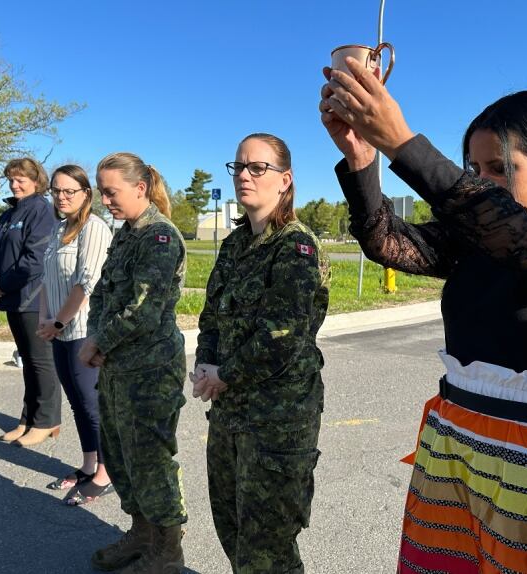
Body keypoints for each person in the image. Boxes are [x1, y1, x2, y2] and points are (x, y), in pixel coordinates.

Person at [321, 58, 527, 573]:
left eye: (501, 168)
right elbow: (387, 242)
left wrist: (404, 143)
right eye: (475, 170)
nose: (484, 181)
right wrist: (363, 159)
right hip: (456, 449)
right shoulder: (471, 239)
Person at [192, 133, 331, 573]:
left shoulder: (295, 245)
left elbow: (283, 335)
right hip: (230, 411)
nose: (245, 176)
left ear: (284, 179)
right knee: (231, 525)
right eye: (239, 167)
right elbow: (210, 315)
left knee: (267, 544)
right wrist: (203, 363)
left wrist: (223, 372)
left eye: (258, 168)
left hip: (278, 420)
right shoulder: (234, 246)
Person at [79, 153, 187, 573]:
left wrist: (99, 343)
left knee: (151, 461)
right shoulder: (124, 234)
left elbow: (144, 310)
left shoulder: (159, 236)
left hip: (150, 370)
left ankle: (168, 550)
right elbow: (104, 293)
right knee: (122, 457)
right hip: (117, 366)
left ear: (139, 188)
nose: (105, 200)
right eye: (102, 192)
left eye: (111, 191)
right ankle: (142, 533)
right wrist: (96, 340)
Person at [37, 165, 114, 504]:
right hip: (59, 331)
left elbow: (87, 282)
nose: (62, 197)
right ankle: (87, 464)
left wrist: (59, 322)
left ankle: (106, 472)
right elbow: (46, 279)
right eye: (56, 190)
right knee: (76, 403)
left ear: (86, 194)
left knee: (92, 404)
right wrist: (45, 320)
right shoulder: (58, 230)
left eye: (70, 191)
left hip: (82, 330)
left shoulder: (93, 228)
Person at [0, 158, 62, 447]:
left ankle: (46, 421)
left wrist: (3, 284)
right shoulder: (9, 214)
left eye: (20, 179)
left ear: (36, 181)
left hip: (33, 299)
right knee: (28, 362)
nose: (14, 184)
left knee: (41, 362)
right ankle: (27, 418)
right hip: (12, 298)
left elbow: (34, 260)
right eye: (11, 179)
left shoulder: (41, 210)